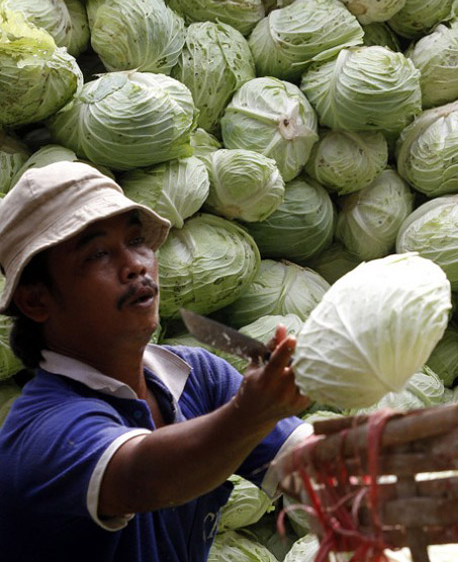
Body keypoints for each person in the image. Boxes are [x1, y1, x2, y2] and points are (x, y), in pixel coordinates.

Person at [0, 162, 312, 560]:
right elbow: (147, 477)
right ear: (35, 300)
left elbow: (308, 462)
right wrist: (252, 413)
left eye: (136, 240)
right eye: (97, 254)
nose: (135, 265)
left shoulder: (196, 376)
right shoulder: (43, 433)